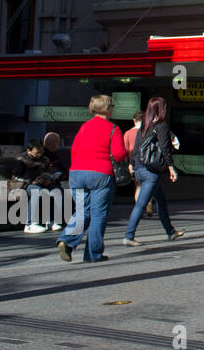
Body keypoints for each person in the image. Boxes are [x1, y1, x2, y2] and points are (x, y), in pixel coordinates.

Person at [56, 94, 127, 263]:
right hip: (101, 174)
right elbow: (118, 154)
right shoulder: (113, 129)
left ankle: (67, 240)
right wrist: (126, 154)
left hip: (77, 172)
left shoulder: (84, 127)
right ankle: (93, 254)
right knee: (98, 215)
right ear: (108, 109)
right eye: (112, 107)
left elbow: (74, 150)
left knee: (82, 211)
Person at [122, 97, 185, 246]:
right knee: (141, 204)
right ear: (161, 109)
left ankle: (170, 231)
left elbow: (136, 146)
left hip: (140, 167)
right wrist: (171, 167)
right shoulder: (161, 125)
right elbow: (165, 148)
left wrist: (131, 164)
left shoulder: (144, 124)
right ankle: (129, 236)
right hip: (152, 171)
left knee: (161, 200)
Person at [15, 139, 55, 233]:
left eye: (41, 152)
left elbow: (48, 172)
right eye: (37, 153)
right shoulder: (20, 159)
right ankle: (29, 224)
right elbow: (15, 177)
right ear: (29, 150)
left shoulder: (44, 159)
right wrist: (30, 182)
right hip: (24, 185)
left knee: (56, 190)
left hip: (40, 183)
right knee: (36, 191)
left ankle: (51, 221)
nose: (39, 155)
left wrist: (48, 179)